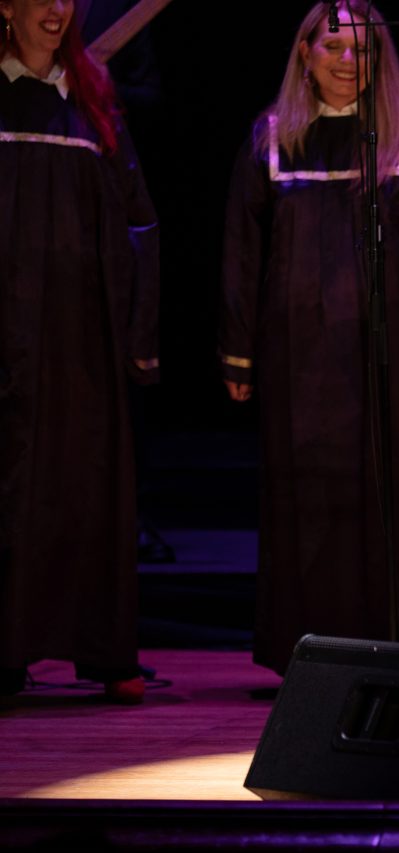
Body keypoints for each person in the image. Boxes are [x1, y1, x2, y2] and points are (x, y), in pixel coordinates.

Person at [219, 1, 399, 675]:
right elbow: (243, 252)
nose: (347, 61)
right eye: (333, 46)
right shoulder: (273, 140)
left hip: (398, 352)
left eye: (363, 50)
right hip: (300, 356)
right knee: (313, 495)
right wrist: (239, 350)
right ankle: (316, 652)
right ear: (305, 53)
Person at [0, 0, 159, 702]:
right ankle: (7, 652)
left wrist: (138, 336)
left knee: (87, 487)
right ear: (6, 6)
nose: (56, 9)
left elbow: (139, 221)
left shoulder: (93, 103)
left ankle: (102, 649)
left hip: (81, 338)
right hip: (7, 333)